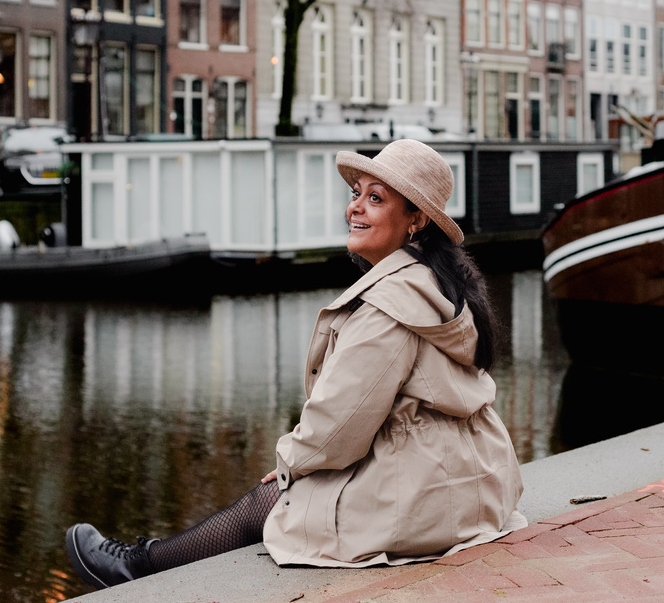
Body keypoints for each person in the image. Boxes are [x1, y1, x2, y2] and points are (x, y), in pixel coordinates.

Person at [65, 139, 526, 588]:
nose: (355, 208)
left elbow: (339, 423)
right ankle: (143, 560)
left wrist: (289, 463)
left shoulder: (392, 304)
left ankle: (138, 566)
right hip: (479, 488)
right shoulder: (443, 287)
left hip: (427, 501)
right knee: (291, 490)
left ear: (416, 220)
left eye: (375, 198)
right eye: (356, 194)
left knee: (268, 500)